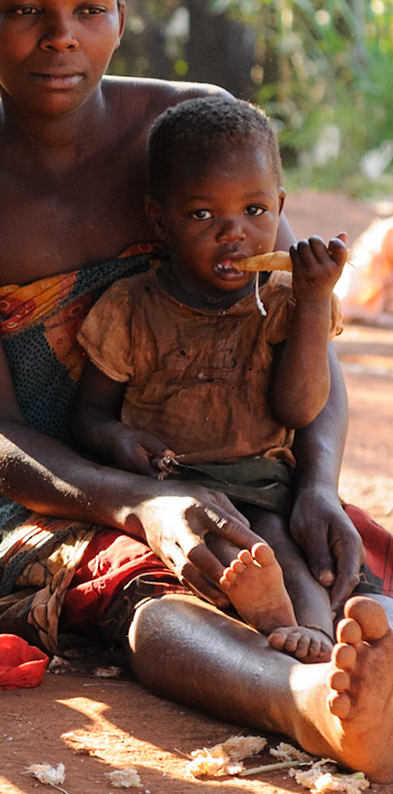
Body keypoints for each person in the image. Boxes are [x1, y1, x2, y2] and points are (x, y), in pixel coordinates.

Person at [0, 0, 393, 779]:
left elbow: (293, 319)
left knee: (336, 559)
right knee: (148, 593)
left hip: (234, 464)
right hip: (46, 483)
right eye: (24, 10)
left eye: (88, 8)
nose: (59, 37)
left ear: (122, 16)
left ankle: (359, 665)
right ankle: (311, 705)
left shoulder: (197, 132)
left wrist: (316, 479)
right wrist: (139, 506)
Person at [71, 97, 348, 660]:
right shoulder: (132, 308)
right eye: (202, 215)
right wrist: (120, 440)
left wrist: (315, 301)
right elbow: (87, 417)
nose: (234, 234)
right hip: (172, 484)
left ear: (280, 206)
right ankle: (263, 617)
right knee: (218, 548)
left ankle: (314, 632)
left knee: (282, 545)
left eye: (255, 211)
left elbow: (298, 410)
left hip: (261, 478)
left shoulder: (286, 303)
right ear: (159, 219)